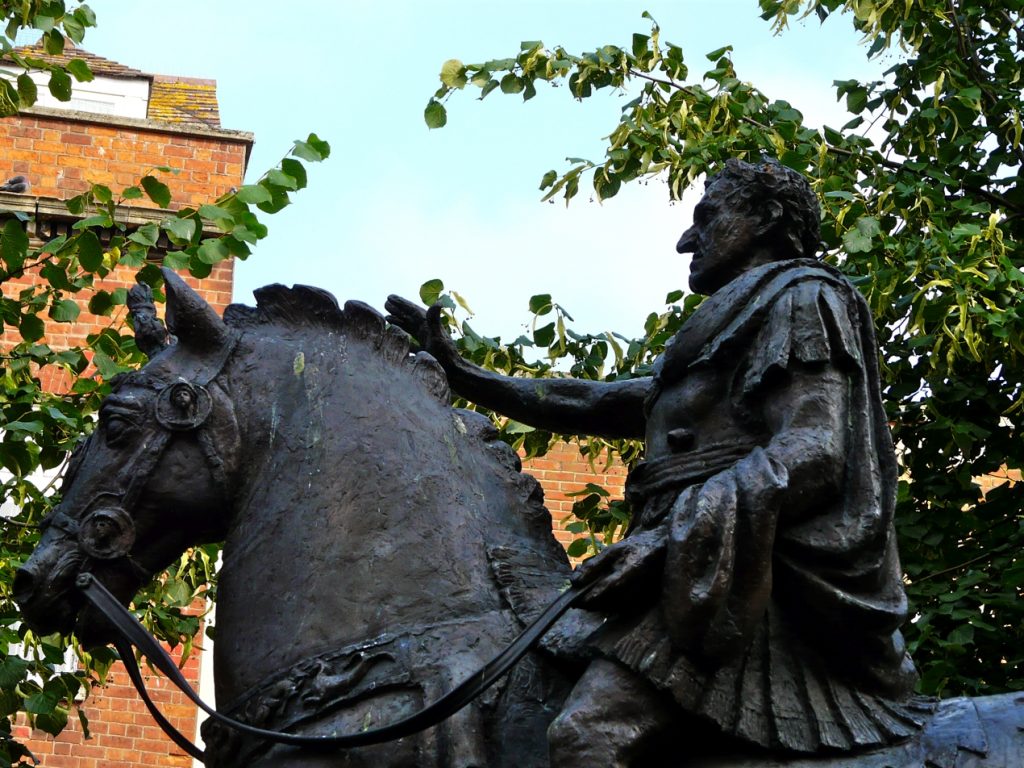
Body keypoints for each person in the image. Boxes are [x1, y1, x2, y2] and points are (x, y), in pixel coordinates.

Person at [386, 159, 926, 765]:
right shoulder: (730, 323)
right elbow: (599, 399)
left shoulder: (805, 298)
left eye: (707, 217)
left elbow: (815, 451)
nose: (686, 240)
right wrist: (465, 373)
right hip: (692, 562)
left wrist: (668, 542)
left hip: (735, 574)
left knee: (586, 736)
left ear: (768, 217)